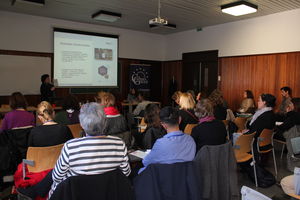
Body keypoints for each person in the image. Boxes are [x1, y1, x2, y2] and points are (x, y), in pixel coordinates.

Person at [17, 103, 131, 199]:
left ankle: (34, 192)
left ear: (81, 124)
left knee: (56, 172)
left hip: (76, 195)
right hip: (107, 194)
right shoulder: (119, 144)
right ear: (105, 122)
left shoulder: (71, 146)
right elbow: (126, 173)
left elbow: (56, 177)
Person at [139, 106, 196, 173]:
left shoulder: (160, 144)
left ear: (163, 125)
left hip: (164, 179)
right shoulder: (191, 140)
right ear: (180, 120)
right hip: (185, 179)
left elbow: (146, 162)